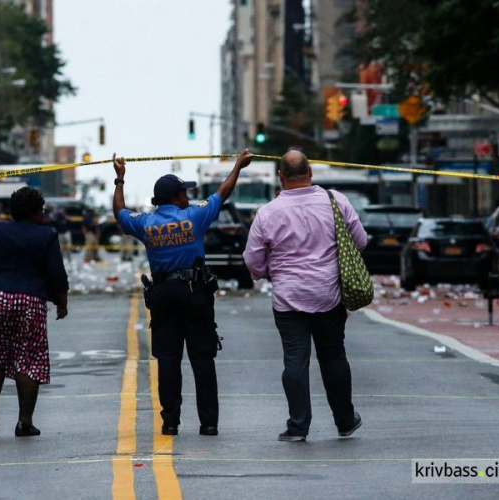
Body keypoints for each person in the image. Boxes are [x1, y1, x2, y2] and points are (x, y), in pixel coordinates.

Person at [112, 150, 253, 436]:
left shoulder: (146, 223)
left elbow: (119, 212)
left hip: (163, 295)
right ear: (175, 197)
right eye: (184, 192)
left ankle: (170, 421)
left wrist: (119, 180)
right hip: (194, 293)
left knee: (168, 360)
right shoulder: (195, 216)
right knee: (202, 359)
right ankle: (209, 423)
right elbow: (222, 193)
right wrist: (238, 165)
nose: (188, 195)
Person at [242, 150, 367, 442]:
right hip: (329, 294)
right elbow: (360, 241)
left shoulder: (267, 213)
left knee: (295, 361)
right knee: (334, 357)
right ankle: (345, 420)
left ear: (280, 177)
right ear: (310, 173)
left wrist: (269, 272)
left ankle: (299, 426)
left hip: (288, 298)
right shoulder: (336, 201)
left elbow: (253, 262)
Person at [0, 187, 69, 437]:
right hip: (30, 301)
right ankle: (24, 421)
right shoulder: (46, 235)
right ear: (36, 213)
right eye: (42, 211)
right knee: (29, 359)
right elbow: (56, 274)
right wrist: (61, 302)